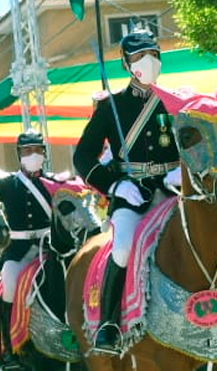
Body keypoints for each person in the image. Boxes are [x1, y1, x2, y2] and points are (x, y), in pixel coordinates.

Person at [73, 28, 179, 353]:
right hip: (130, 193)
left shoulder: (175, 101)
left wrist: (182, 170)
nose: (148, 62)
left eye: (153, 54)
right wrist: (114, 184)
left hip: (173, 188)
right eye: (139, 56)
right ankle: (109, 323)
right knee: (121, 248)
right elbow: (82, 156)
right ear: (126, 64)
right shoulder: (111, 108)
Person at [0, 130, 54, 371]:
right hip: (18, 249)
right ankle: (8, 347)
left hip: (49, 248)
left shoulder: (55, 182)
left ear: (44, 152)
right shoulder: (5, 184)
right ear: (19, 154)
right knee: (8, 285)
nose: (33, 155)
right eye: (27, 151)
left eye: (38, 150)